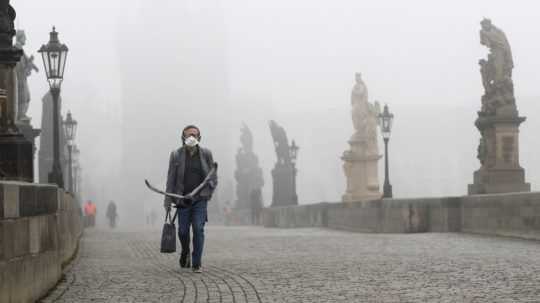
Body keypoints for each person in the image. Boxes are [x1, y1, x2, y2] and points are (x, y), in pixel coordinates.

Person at [164, 125, 218, 273]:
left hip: (200, 200)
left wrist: (209, 191)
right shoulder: (176, 155)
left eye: (194, 135)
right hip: (182, 200)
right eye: (188, 135)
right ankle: (185, 252)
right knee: (182, 231)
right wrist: (168, 201)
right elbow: (171, 179)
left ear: (199, 137)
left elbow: (213, 176)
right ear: (183, 138)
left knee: (198, 229)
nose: (191, 138)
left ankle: (196, 263)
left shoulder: (206, 154)